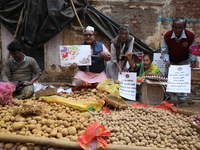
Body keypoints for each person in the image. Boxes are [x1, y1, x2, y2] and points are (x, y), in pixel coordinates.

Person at [161, 17, 196, 105]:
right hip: (171, 61)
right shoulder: (167, 36)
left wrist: (193, 60)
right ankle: (167, 98)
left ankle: (182, 100)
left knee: (182, 80)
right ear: (172, 27)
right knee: (168, 79)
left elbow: (192, 50)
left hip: (184, 60)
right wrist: (167, 60)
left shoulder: (190, 36)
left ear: (184, 27)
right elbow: (164, 51)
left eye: (180, 27)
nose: (178, 30)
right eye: (176, 27)